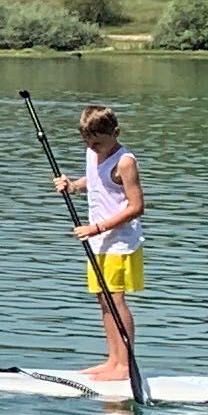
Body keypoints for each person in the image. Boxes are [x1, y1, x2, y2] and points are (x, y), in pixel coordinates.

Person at [69, 103, 145, 385]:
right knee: (103, 300)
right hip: (98, 241)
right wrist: (74, 185)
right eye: (87, 140)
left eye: (98, 141)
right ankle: (112, 359)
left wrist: (97, 227)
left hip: (119, 242)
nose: (92, 146)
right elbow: (96, 181)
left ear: (115, 133)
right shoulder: (92, 153)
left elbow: (137, 207)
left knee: (115, 299)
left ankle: (125, 364)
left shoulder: (125, 161)